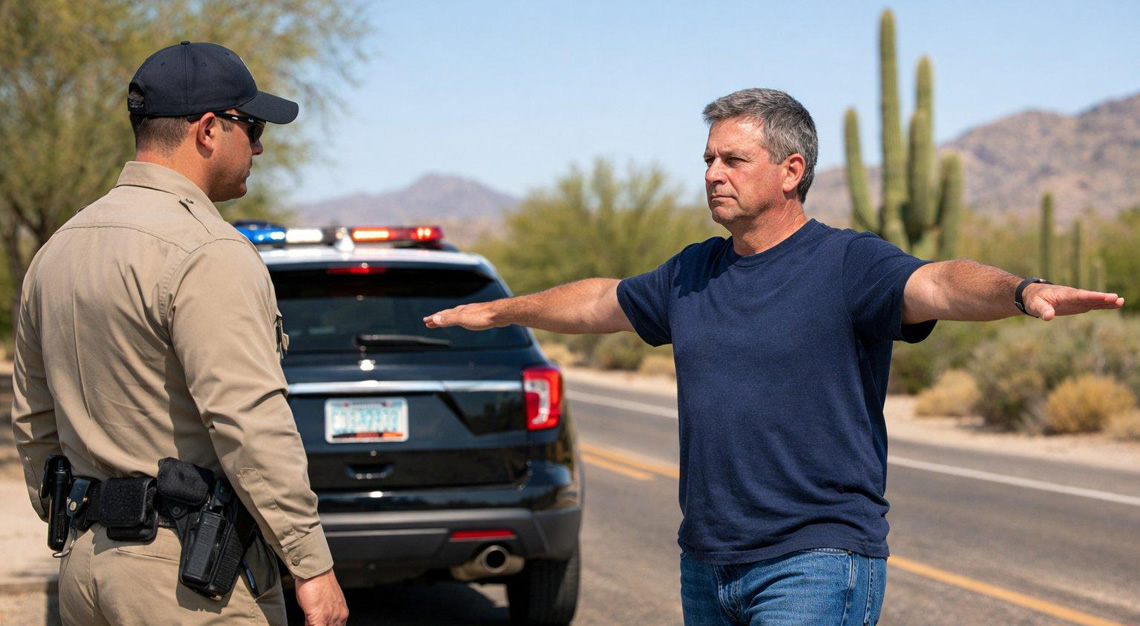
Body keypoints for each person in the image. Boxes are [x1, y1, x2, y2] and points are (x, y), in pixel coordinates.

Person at [424, 88, 1123, 625]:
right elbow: (600, 302)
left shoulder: (849, 263)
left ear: (792, 171)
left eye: (733, 159)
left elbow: (937, 281)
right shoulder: (692, 272)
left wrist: (1020, 289)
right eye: (707, 160)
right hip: (708, 561)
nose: (712, 174)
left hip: (815, 559)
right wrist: (501, 309)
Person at [11, 41, 348, 626]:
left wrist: (76, 520)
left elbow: (34, 424)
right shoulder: (208, 251)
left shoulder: (56, 250)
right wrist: (311, 566)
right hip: (187, 584)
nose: (261, 144)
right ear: (210, 129)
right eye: (254, 124)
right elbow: (249, 421)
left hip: (85, 572)